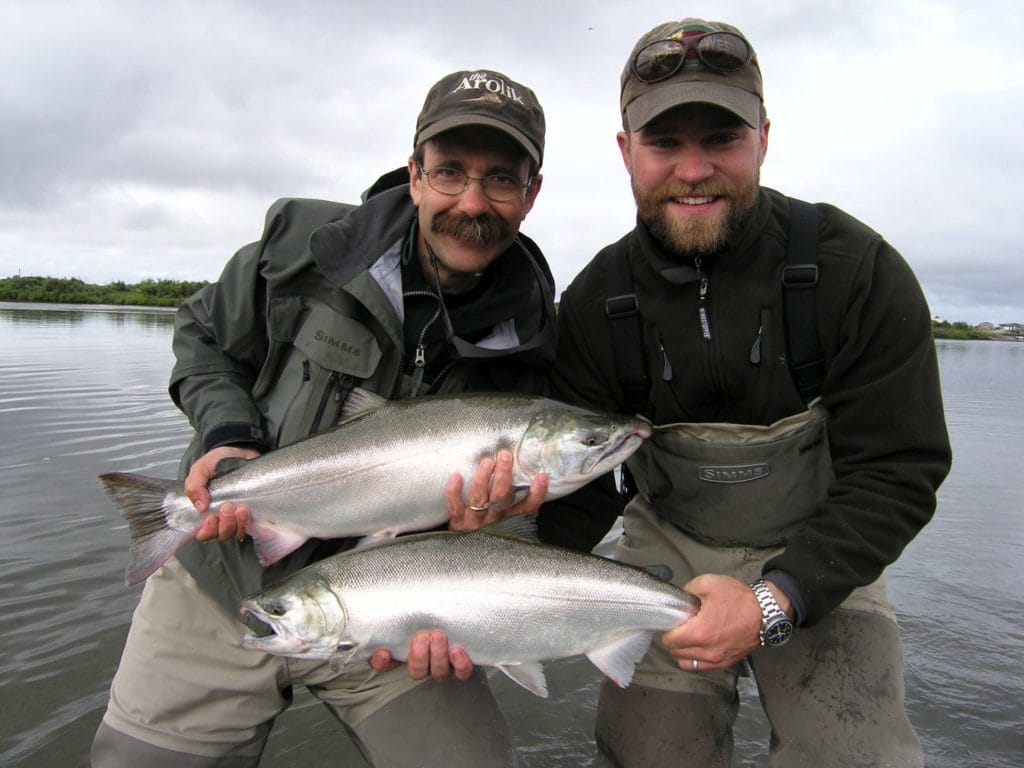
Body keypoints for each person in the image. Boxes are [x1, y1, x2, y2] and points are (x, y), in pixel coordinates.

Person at [91, 68, 617, 768]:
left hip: (397, 607)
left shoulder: (533, 346)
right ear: (415, 173)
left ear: (532, 193)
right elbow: (202, 339)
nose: (472, 201)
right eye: (450, 171)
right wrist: (226, 437)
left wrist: (477, 539)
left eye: (501, 179)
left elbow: (529, 533)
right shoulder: (300, 249)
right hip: (222, 581)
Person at [550, 18, 953, 768]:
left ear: (764, 137)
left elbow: (898, 472)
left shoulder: (857, 271)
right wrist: (490, 572)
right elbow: (585, 490)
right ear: (624, 151)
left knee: (854, 754)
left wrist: (776, 601)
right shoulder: (594, 303)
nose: (694, 169)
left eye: (722, 140)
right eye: (665, 143)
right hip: (663, 555)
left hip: (823, 555)